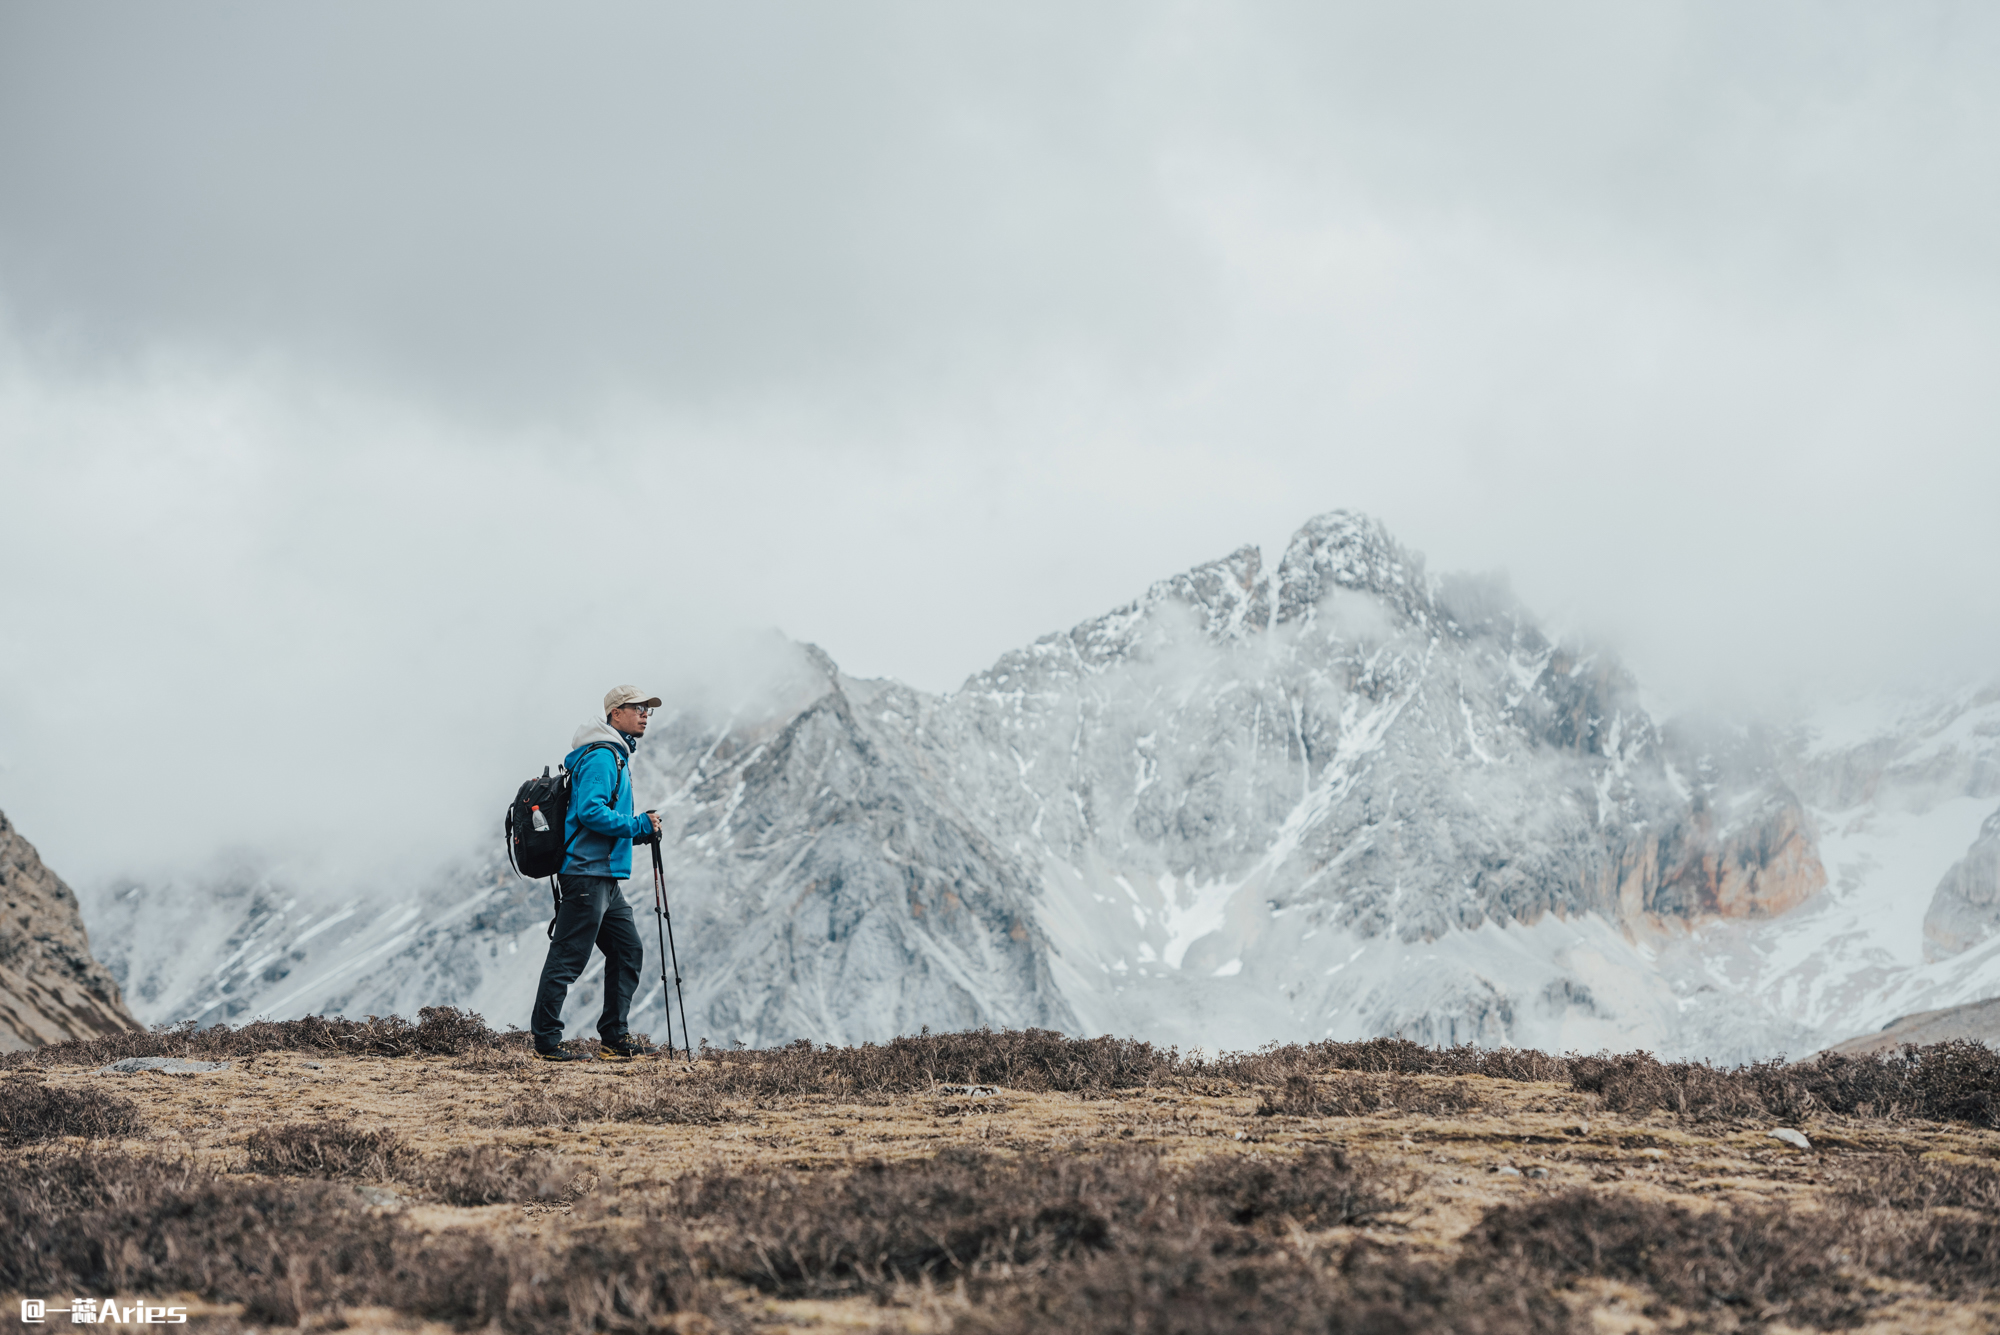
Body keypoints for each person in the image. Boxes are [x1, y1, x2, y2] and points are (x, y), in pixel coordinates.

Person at [530, 685, 666, 1062]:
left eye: (647, 710)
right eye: (637, 708)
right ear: (615, 713)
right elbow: (590, 812)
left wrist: (639, 832)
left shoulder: (615, 755)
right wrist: (638, 826)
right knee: (569, 957)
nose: (644, 715)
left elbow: (599, 820)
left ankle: (614, 1038)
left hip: (604, 876)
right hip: (587, 875)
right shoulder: (604, 756)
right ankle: (546, 1042)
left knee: (627, 949)